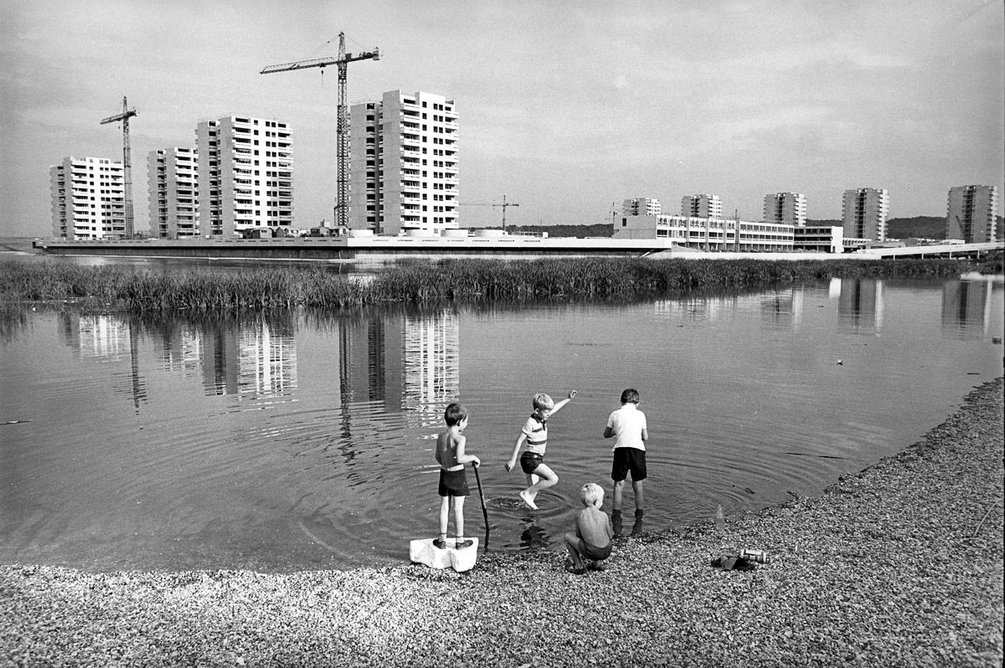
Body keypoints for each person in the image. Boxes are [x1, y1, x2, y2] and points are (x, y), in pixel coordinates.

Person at [504, 390, 576, 510]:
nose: (549, 414)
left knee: (532, 494)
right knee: (553, 479)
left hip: (536, 458)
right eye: (547, 412)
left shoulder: (542, 418)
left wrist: (568, 399)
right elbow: (519, 440)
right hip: (531, 459)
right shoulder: (531, 422)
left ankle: (526, 513)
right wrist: (512, 460)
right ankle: (525, 494)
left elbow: (554, 408)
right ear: (537, 411)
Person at [434, 403, 480, 549]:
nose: (467, 424)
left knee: (444, 507)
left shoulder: (441, 436)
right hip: (458, 476)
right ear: (460, 422)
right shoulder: (460, 438)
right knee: (458, 509)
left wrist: (446, 463)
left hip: (444, 474)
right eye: (466, 421)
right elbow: (460, 458)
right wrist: (473, 457)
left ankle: (442, 539)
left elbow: (437, 457)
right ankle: (459, 541)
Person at [604, 388, 648, 537]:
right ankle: (639, 516)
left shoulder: (615, 414)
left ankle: (616, 516)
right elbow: (645, 437)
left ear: (621, 401)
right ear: (637, 403)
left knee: (618, 484)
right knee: (638, 483)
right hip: (637, 450)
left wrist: (618, 430)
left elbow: (606, 434)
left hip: (621, 450)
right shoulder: (640, 414)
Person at [563, 483, 614, 574]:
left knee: (567, 537)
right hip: (607, 550)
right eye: (602, 500)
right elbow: (609, 535)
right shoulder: (604, 515)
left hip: (592, 552)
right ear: (596, 502)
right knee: (600, 537)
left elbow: (579, 536)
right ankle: (597, 564)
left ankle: (579, 566)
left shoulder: (580, 515)